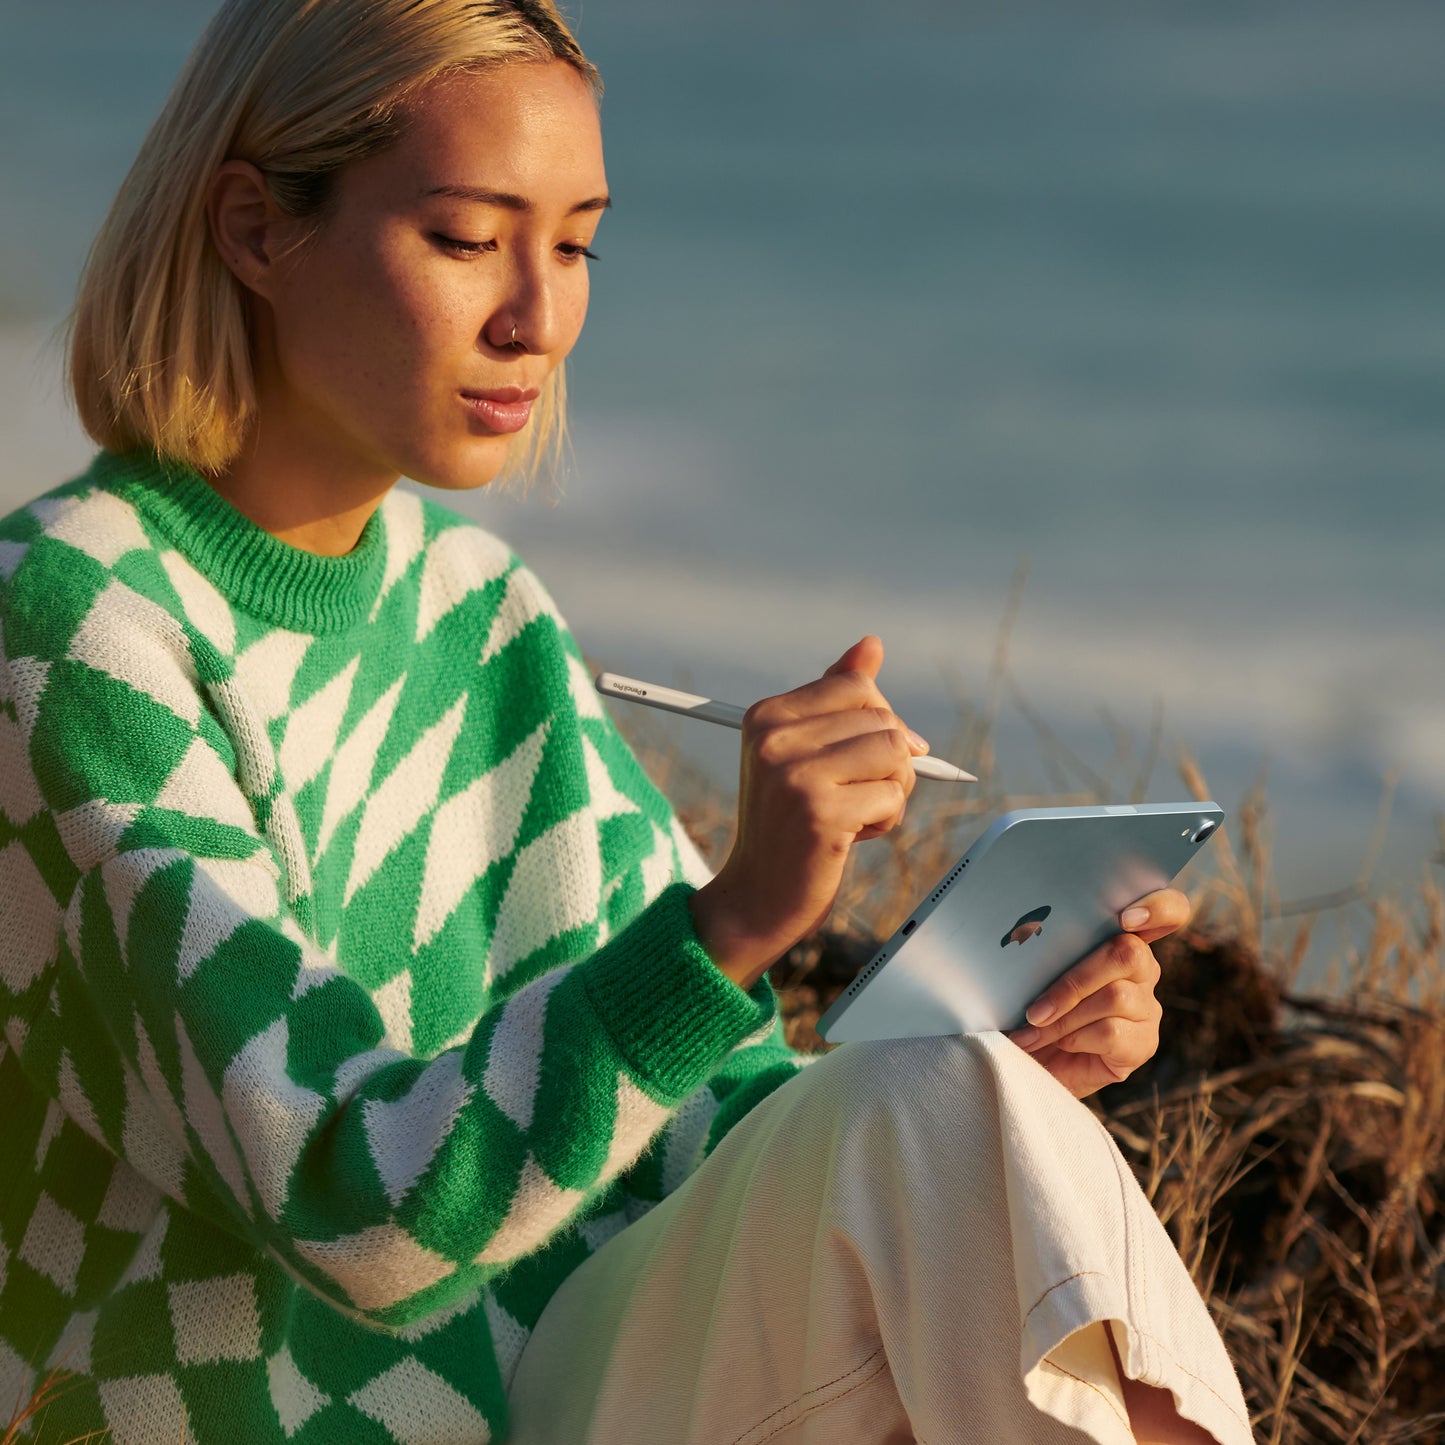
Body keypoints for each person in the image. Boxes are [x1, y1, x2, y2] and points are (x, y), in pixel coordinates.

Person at [0, 2, 1252, 1442]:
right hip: (212, 1417)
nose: (536, 319)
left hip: (542, 1390)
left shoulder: (481, 609)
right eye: (467, 239)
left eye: (575, 245)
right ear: (254, 229)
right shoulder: (73, 621)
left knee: (940, 1106)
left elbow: (697, 1119)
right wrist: (732, 922)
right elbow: (353, 1206)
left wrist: (997, 1076)